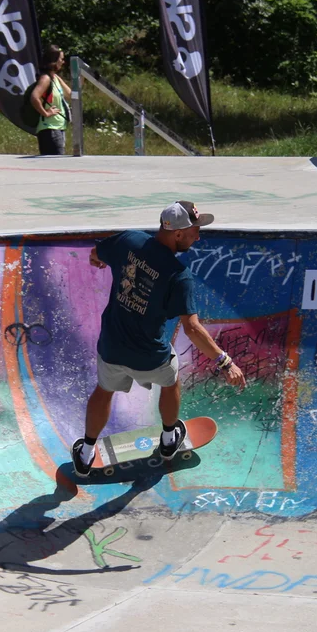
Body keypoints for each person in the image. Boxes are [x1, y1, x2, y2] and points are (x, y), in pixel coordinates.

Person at [71, 201, 247, 477]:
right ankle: (168, 438)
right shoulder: (179, 276)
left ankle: (85, 452)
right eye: (195, 231)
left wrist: (97, 258)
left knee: (104, 391)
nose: (198, 237)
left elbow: (97, 253)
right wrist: (225, 362)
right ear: (177, 233)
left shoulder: (129, 240)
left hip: (112, 347)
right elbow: (192, 328)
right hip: (150, 355)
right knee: (170, 380)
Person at [30, 44, 71, 156]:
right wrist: (46, 113)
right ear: (54, 61)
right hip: (50, 130)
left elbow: (72, 94)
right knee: (56, 166)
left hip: (58, 128)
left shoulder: (55, 78)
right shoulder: (46, 79)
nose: (63, 62)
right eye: (61, 59)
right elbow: (34, 97)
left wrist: (81, 77)